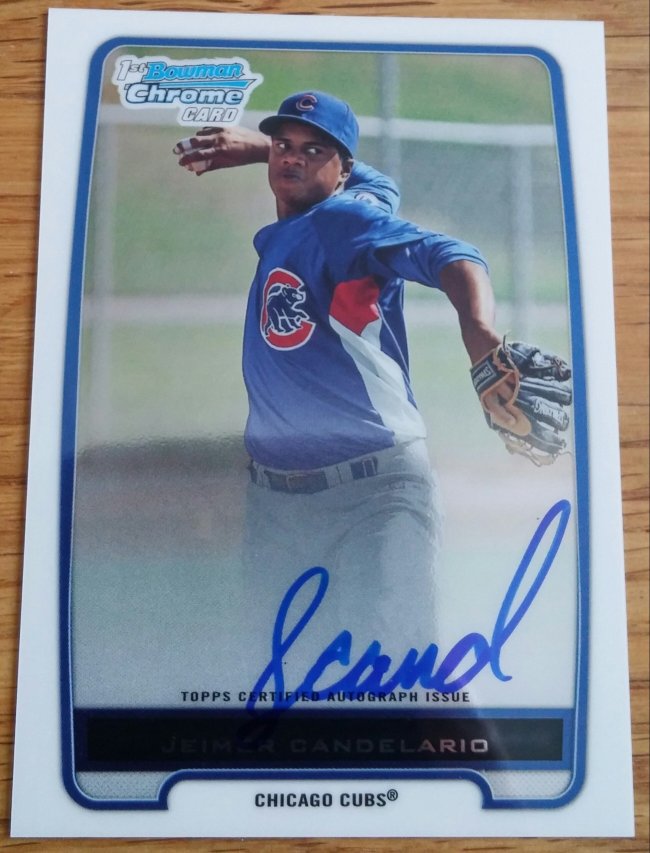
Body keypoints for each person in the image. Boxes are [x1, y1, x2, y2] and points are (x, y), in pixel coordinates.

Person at [174, 91, 504, 680]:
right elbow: (378, 181)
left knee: (392, 684)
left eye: (314, 150)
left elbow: (452, 254)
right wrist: (260, 148)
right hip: (276, 508)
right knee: (277, 689)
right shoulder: (349, 201)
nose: (291, 158)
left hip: (371, 499)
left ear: (343, 170)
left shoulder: (344, 220)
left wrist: (478, 331)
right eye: (284, 144)